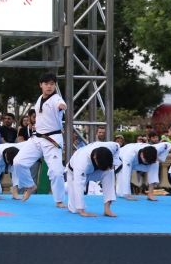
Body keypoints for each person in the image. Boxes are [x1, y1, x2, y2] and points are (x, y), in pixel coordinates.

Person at [12, 73, 67, 207]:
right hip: (37, 138)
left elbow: (62, 104)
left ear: (55, 86)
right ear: (40, 85)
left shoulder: (56, 98)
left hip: (52, 140)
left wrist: (62, 106)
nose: (49, 86)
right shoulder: (40, 98)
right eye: (46, 84)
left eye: (52, 84)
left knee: (56, 172)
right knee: (18, 162)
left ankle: (59, 200)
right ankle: (30, 185)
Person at [66, 141, 120, 217]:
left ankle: (107, 209)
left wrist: (114, 162)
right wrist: (82, 211)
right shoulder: (82, 162)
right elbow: (78, 186)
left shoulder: (112, 146)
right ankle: (76, 205)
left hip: (95, 170)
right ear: (95, 158)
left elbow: (117, 146)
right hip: (73, 173)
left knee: (109, 171)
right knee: (75, 210)